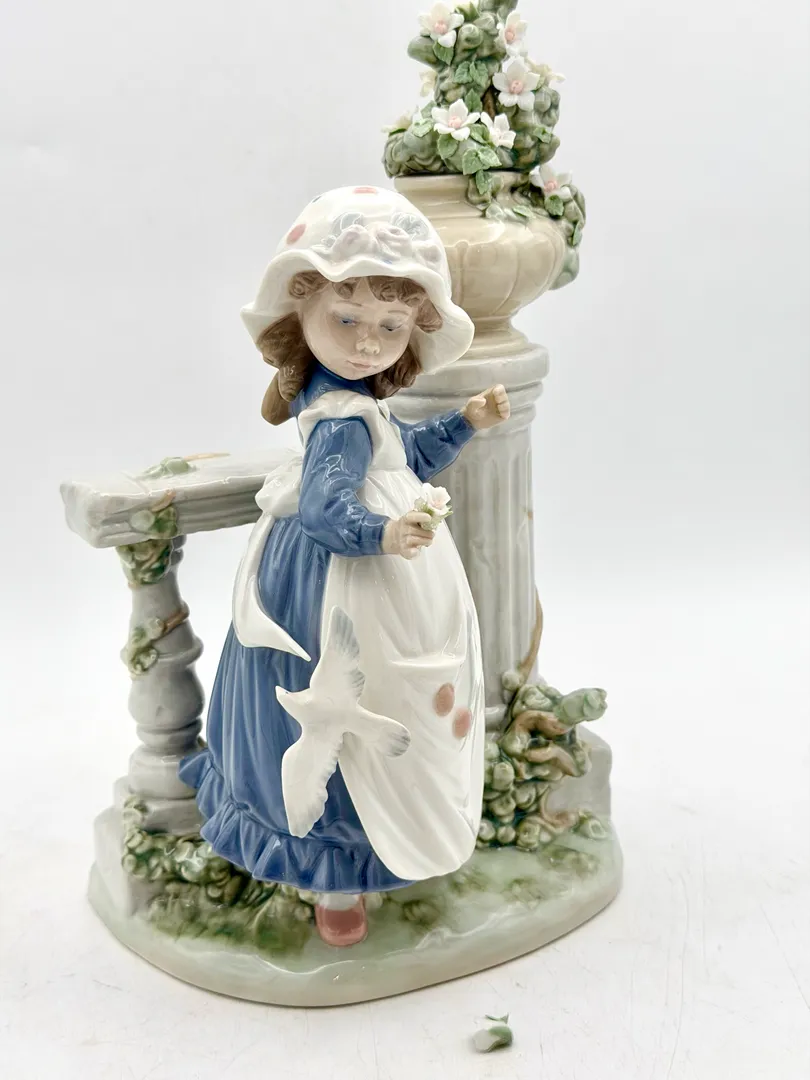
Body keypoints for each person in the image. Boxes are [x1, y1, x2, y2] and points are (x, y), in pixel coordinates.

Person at [179, 186, 511, 946]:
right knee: (352, 712)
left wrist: (464, 421)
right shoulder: (339, 415)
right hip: (339, 582)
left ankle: (362, 856)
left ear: (413, 331)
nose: (367, 343)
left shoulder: (357, 400)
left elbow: (402, 458)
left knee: (383, 704)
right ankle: (335, 879)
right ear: (301, 311)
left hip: (366, 563)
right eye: (347, 319)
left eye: (390, 327)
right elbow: (330, 509)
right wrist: (382, 533)